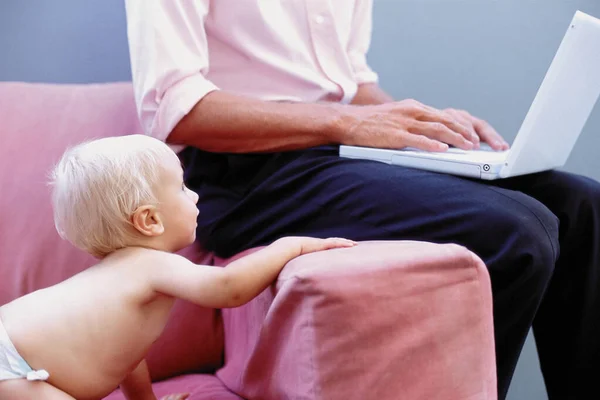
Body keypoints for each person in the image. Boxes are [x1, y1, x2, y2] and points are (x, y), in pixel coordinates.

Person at [125, 2, 600, 399]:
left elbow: (350, 85)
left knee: (581, 204)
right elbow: (173, 107)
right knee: (519, 233)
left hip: (341, 151)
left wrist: (423, 127)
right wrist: (343, 124)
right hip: (246, 174)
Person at [0, 135, 356, 400]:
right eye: (183, 188)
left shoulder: (121, 275)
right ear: (150, 220)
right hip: (12, 365)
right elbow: (228, 287)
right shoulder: (150, 265)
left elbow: (126, 353)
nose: (196, 195)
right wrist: (289, 245)